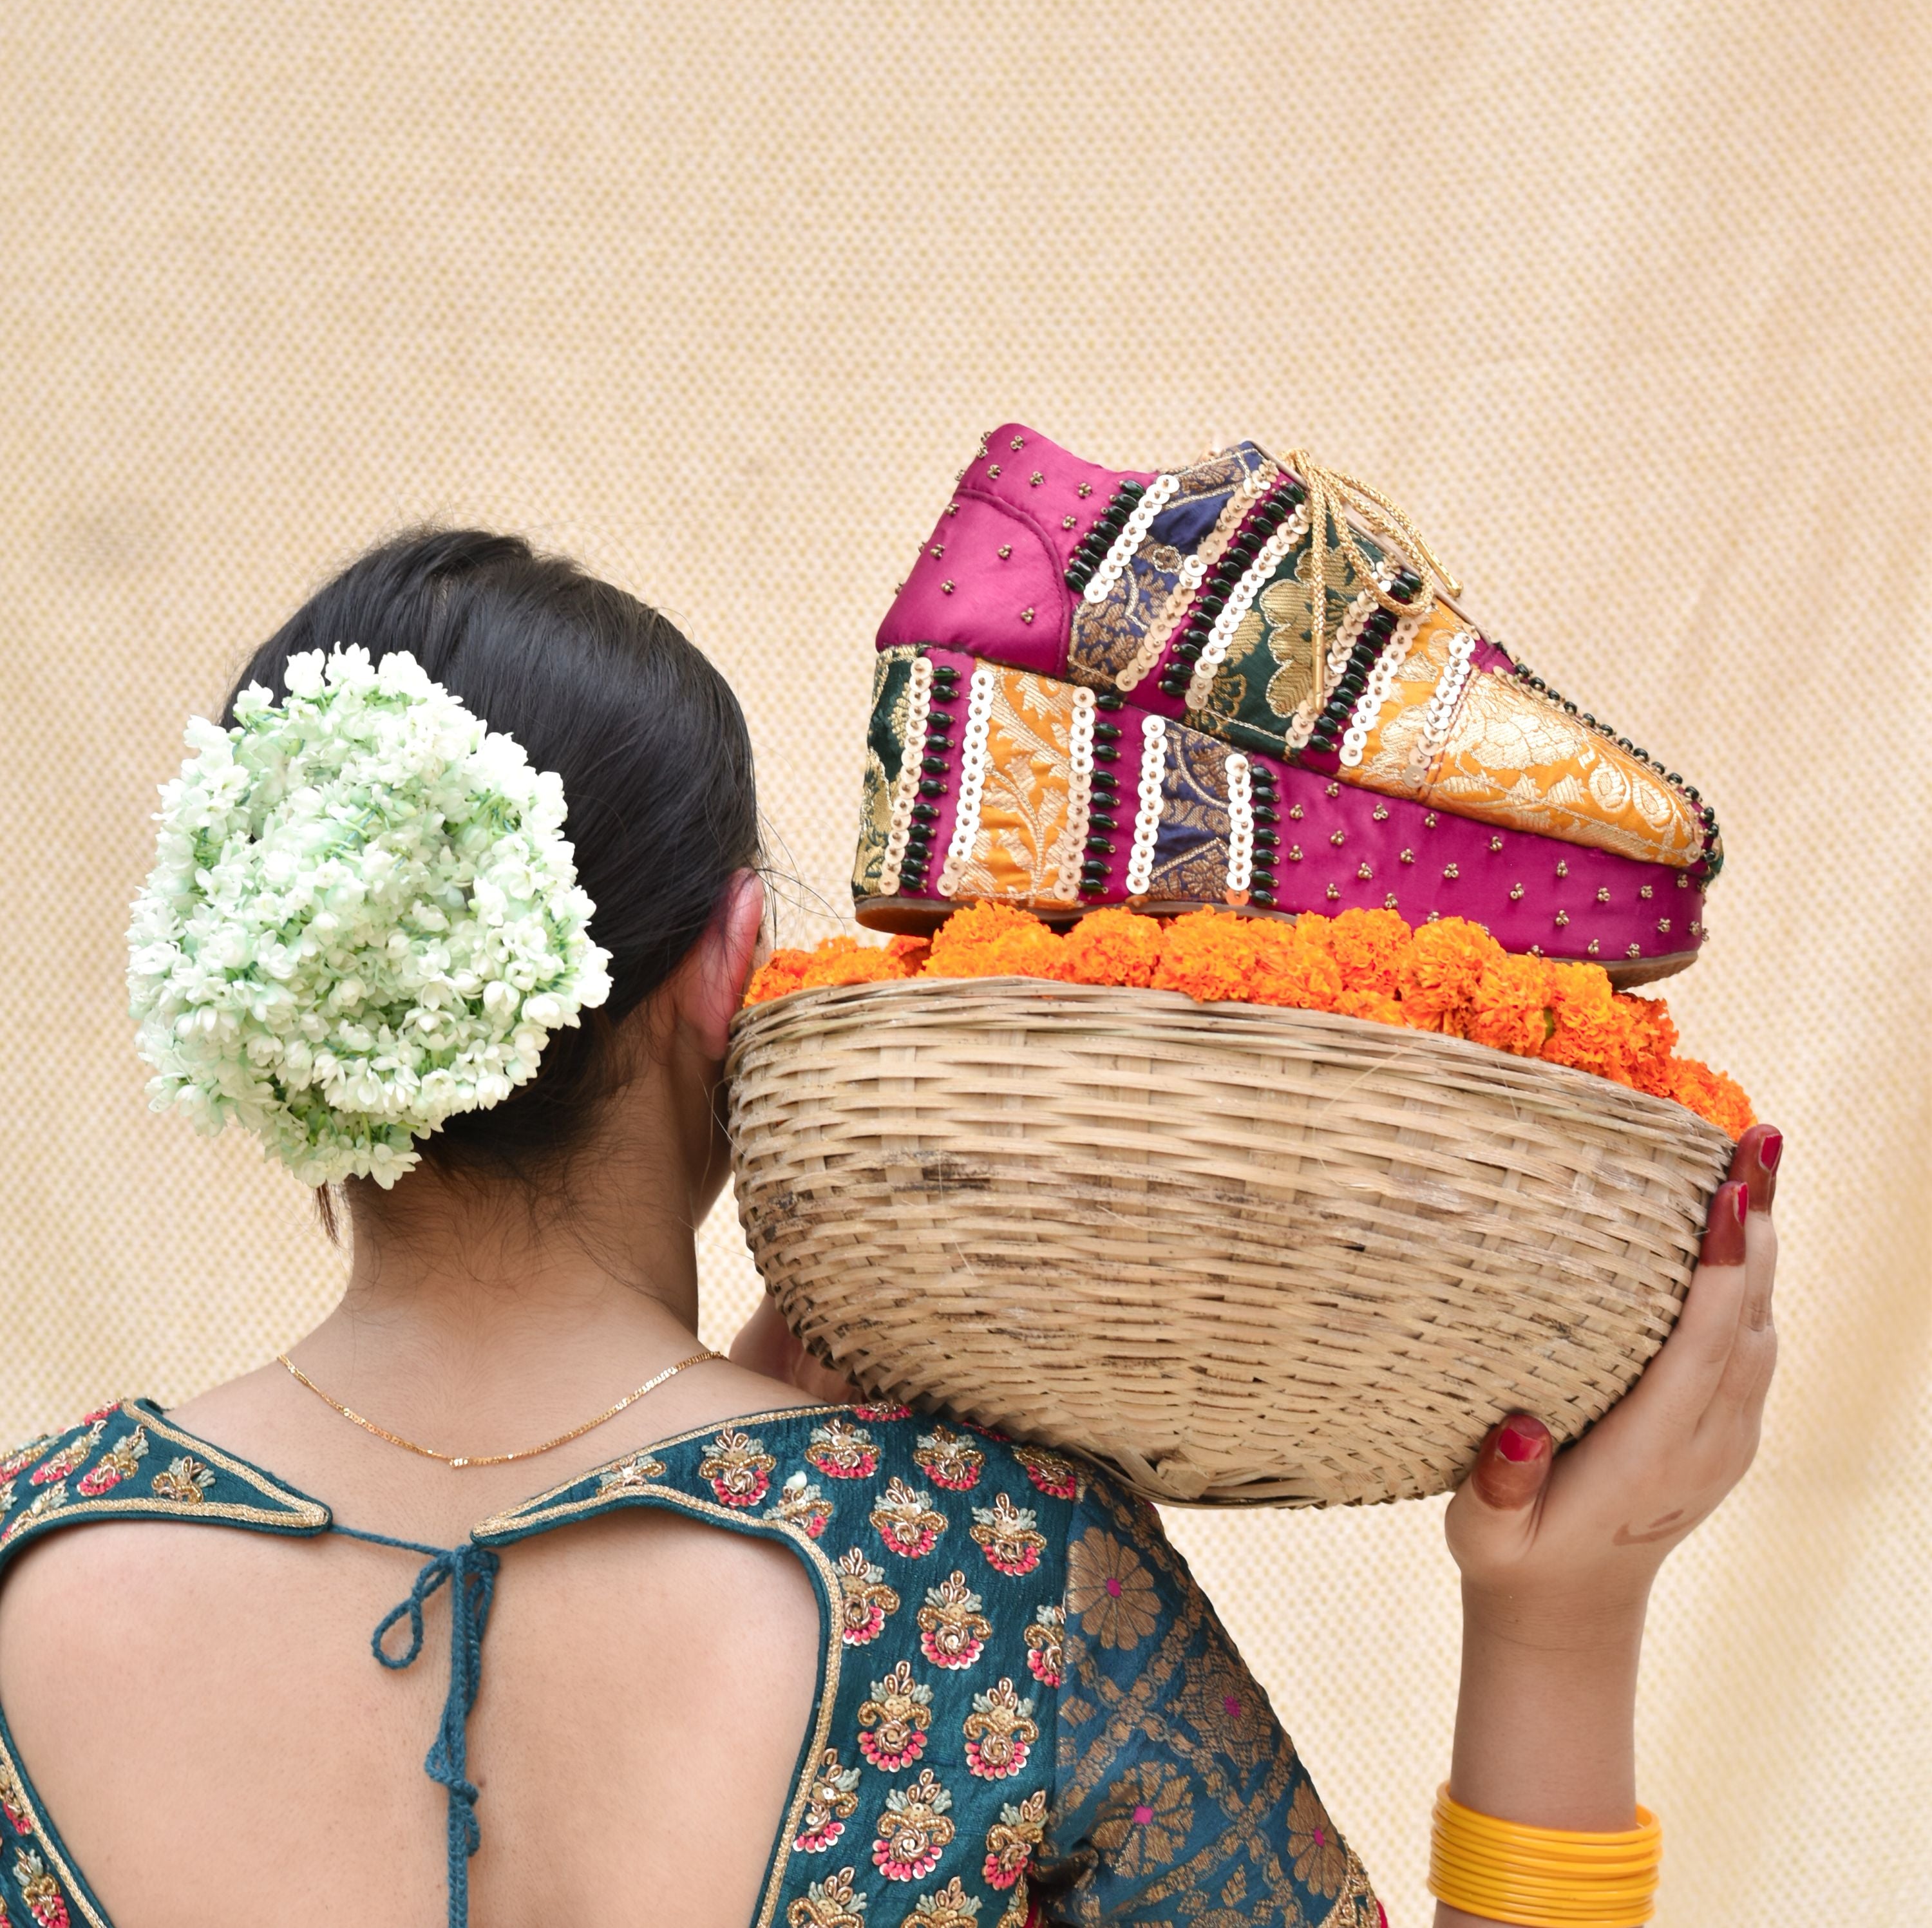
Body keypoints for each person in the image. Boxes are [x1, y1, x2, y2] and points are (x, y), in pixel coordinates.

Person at [0, 532, 1781, 1928]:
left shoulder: (31, 1553)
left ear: (259, 1004)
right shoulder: (988, 1570)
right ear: (734, 962)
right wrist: (1566, 1617)